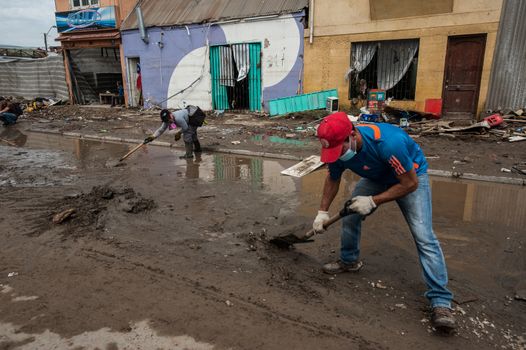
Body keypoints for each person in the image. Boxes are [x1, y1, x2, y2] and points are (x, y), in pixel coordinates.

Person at [313, 111, 456, 332]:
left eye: (338, 148)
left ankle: (441, 300)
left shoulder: (389, 143)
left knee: (423, 235)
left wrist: (372, 200)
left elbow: (409, 184)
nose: (336, 155)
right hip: (376, 176)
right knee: (351, 214)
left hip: (412, 177)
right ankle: (349, 261)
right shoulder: (338, 150)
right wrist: (322, 211)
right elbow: (333, 177)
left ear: (352, 134)